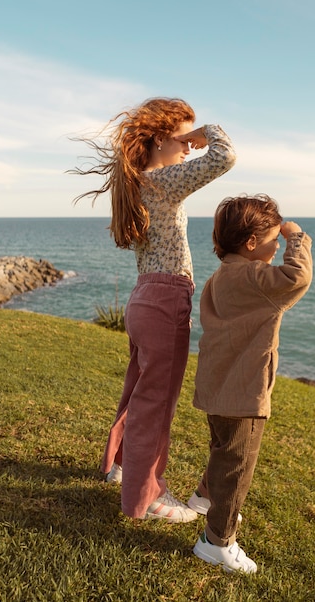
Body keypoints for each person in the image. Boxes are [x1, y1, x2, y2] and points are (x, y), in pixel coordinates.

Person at [72, 97, 236, 522]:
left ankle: (119, 467)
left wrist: (189, 135)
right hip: (163, 302)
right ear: (161, 137)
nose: (189, 148)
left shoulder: (139, 184)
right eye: (183, 139)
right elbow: (225, 156)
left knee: (137, 393)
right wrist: (208, 131)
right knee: (155, 404)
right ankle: (147, 498)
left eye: (191, 139)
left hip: (144, 297)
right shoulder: (161, 181)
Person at [187, 194, 313, 572]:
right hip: (243, 392)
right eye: (274, 239)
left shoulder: (220, 276)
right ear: (252, 243)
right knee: (237, 466)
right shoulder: (256, 278)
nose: (278, 246)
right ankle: (217, 541)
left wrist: (283, 236)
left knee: (223, 452)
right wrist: (297, 237)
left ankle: (203, 498)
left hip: (215, 386)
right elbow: (299, 276)